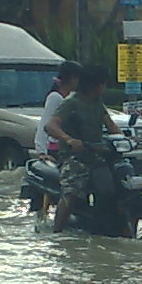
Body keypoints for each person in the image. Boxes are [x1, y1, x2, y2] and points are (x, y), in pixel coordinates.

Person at [43, 63, 119, 234]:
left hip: (97, 155)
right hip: (73, 157)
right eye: (102, 83)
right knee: (71, 192)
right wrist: (69, 140)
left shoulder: (97, 103)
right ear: (94, 84)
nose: (103, 87)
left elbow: (111, 126)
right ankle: (57, 232)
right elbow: (50, 125)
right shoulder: (71, 103)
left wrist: (126, 139)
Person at [33, 60, 82, 158]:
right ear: (73, 78)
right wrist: (42, 151)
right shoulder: (55, 97)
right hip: (56, 150)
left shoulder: (71, 97)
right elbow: (45, 124)